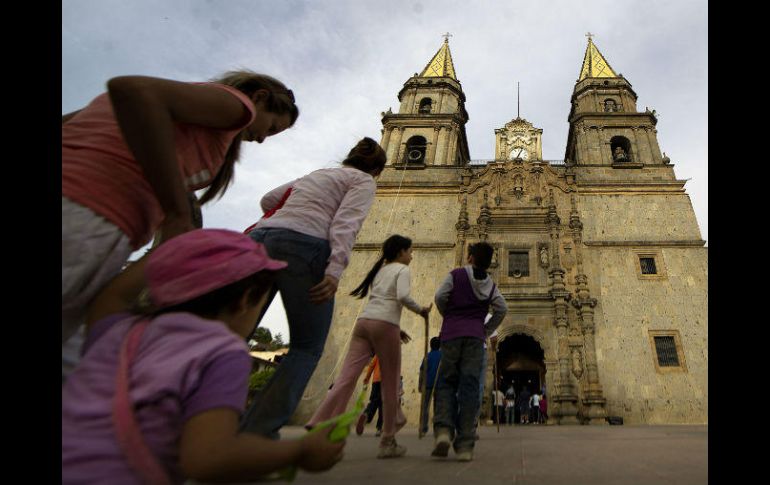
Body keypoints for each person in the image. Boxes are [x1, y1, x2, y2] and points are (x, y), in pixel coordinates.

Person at [62, 70, 299, 380]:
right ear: (260, 98)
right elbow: (132, 88)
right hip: (88, 214)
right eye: (271, 127)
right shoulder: (237, 105)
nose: (263, 138)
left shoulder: (194, 119)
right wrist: (176, 211)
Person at [62, 229, 345, 484]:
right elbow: (209, 457)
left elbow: (112, 295)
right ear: (245, 300)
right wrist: (300, 450)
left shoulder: (118, 331)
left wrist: (173, 244)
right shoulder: (222, 352)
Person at [241, 137, 387, 439]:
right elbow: (346, 224)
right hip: (304, 248)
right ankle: (257, 432)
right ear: (377, 170)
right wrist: (334, 271)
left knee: (235, 334)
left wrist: (288, 216)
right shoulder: (363, 181)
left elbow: (269, 200)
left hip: (259, 241)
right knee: (306, 347)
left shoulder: (318, 174)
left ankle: (197, 421)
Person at [305, 235, 431, 458]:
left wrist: (396, 330)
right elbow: (402, 296)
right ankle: (388, 440)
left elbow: (379, 303)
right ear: (401, 252)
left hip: (363, 324)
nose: (412, 255)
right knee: (391, 385)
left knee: (345, 379)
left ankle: (318, 421)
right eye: (410, 251)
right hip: (385, 325)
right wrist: (421, 310)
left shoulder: (379, 271)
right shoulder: (402, 270)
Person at [431, 242, 508, 462]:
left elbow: (439, 297)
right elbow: (502, 308)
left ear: (470, 257)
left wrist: (450, 316)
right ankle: (465, 444)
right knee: (470, 386)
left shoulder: (456, 275)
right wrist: (485, 330)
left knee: (446, 382)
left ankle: (443, 431)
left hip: (452, 335)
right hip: (476, 338)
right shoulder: (490, 284)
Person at [418, 337, 442, 435]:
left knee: (425, 407)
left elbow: (422, 371)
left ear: (430, 346)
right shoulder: (442, 356)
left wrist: (420, 384)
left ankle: (424, 427)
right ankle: (437, 427)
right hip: (439, 385)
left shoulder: (427, 356)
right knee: (438, 407)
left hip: (427, 384)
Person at [357, 356, 384, 437]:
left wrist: (367, 378)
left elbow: (371, 365)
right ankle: (379, 428)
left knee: (373, 401)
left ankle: (366, 416)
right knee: (383, 406)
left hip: (376, 381)